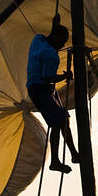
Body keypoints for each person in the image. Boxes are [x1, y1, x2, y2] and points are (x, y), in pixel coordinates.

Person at [26, 14, 80, 173]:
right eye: (62, 41)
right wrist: (65, 76)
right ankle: (56, 161)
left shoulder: (38, 39)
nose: (62, 45)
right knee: (58, 122)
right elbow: (47, 77)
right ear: (57, 38)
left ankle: (74, 153)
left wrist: (56, 22)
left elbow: (53, 34)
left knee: (63, 118)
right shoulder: (51, 55)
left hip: (38, 88)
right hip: (41, 88)